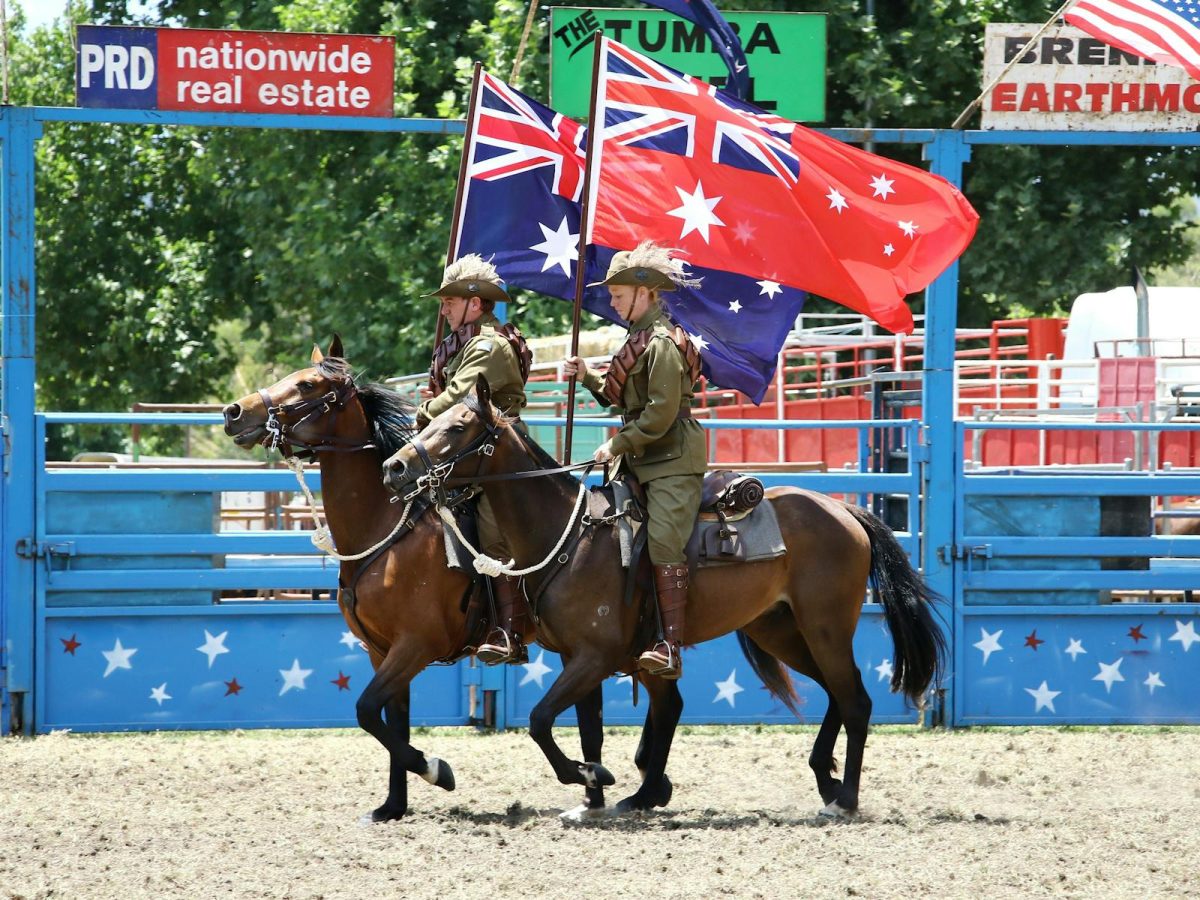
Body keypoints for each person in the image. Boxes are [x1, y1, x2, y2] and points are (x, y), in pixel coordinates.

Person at [563, 241, 704, 679]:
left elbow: (660, 416)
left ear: (644, 293)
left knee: (663, 540)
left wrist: (618, 444)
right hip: (642, 457)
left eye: (618, 294)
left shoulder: (661, 344)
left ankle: (670, 645)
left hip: (670, 459)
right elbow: (618, 395)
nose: (611, 300)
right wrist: (586, 375)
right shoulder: (638, 339)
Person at [420, 254, 533, 665]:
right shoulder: (465, 342)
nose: (443, 308)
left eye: (449, 300)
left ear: (474, 302)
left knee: (491, 529)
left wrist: (418, 415)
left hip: (498, 453)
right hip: (471, 449)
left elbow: (459, 401)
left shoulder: (486, 344)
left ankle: (508, 631)